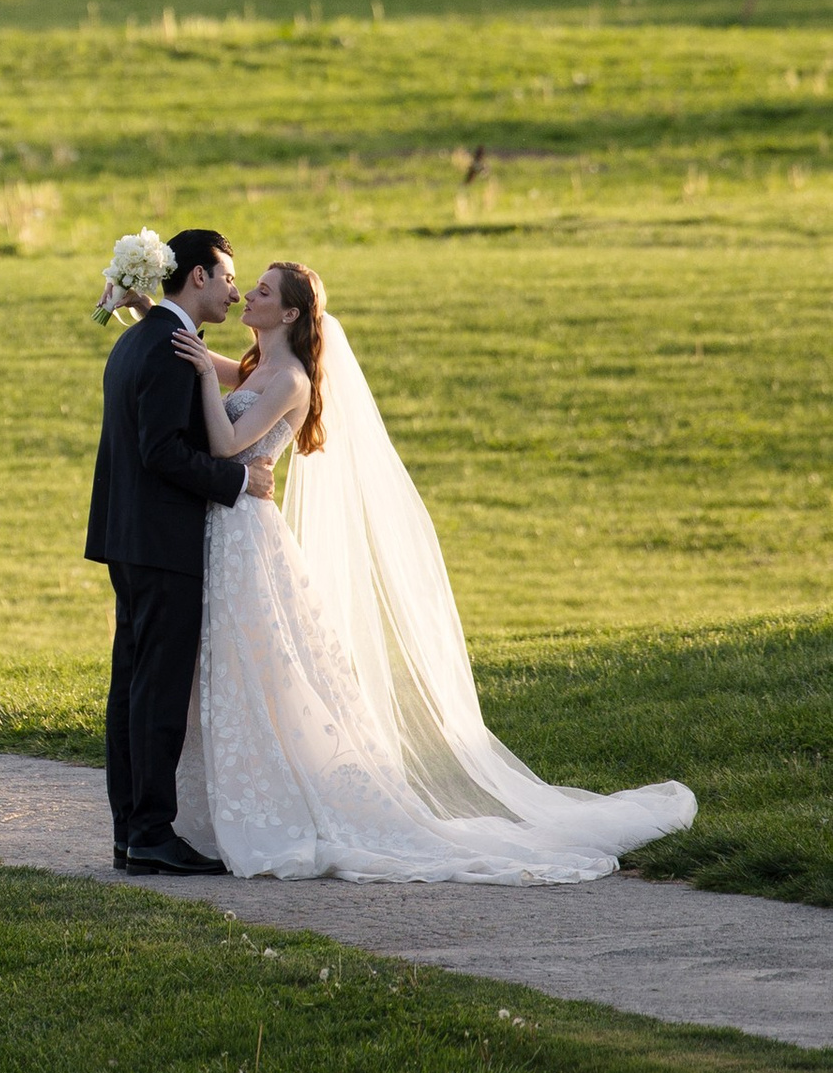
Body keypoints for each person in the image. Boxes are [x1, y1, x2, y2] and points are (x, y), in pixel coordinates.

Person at [165, 259, 697, 881]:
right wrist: (150, 312)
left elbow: (228, 445)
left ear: (288, 313)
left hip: (248, 534)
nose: (246, 294)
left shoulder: (292, 381)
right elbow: (221, 377)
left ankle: (294, 801)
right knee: (243, 666)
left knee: (268, 667)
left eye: (260, 291)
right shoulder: (260, 369)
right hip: (230, 527)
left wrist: (203, 371)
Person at [84, 227, 276, 875]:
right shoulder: (168, 349)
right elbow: (161, 451)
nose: (232, 288)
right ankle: (151, 832)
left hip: (126, 536)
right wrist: (237, 479)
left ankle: (130, 831)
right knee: (157, 692)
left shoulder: (143, 338)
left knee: (132, 689)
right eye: (226, 275)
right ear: (195, 275)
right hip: (162, 541)